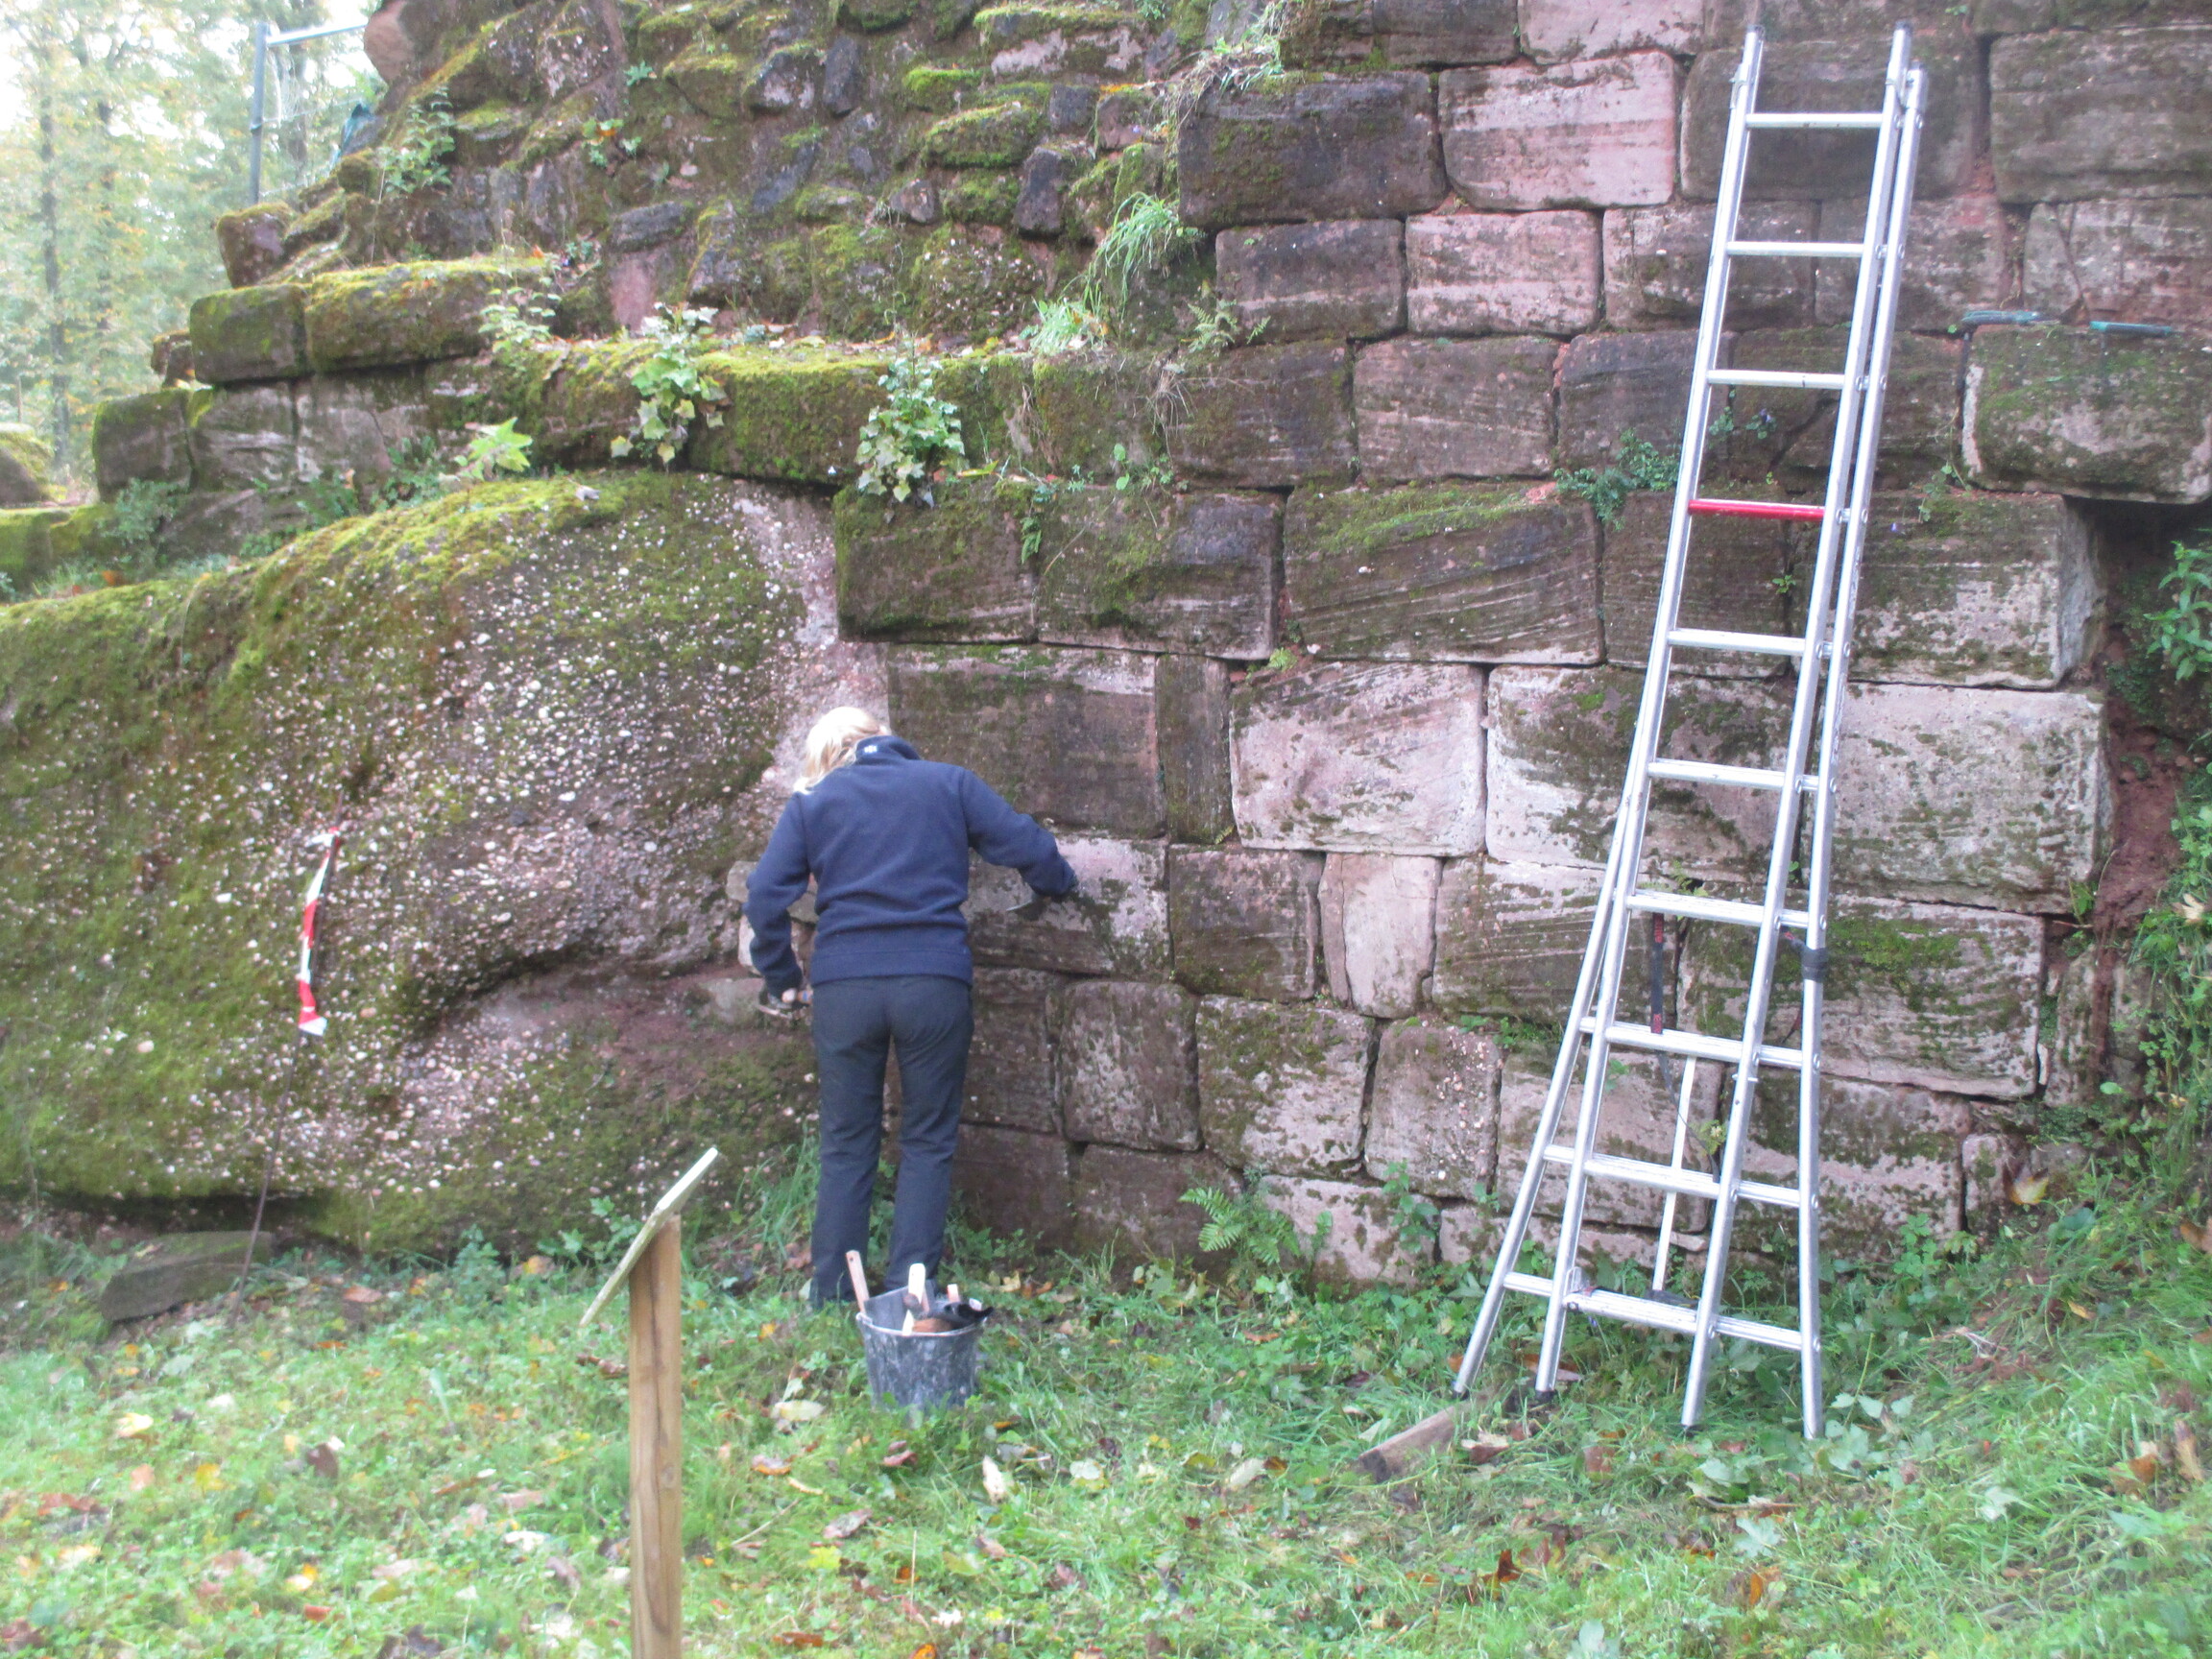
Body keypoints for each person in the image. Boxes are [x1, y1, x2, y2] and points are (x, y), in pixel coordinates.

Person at [745, 708, 1078, 1310]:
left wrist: (783, 976)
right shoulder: (948, 782)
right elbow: (1029, 844)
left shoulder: (813, 803)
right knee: (927, 1138)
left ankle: (832, 1292)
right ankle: (909, 1292)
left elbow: (765, 894)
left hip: (845, 988)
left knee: (847, 1141)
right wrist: (1057, 883)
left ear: (830, 758)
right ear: (882, 735)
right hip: (932, 981)